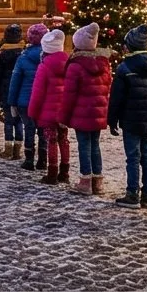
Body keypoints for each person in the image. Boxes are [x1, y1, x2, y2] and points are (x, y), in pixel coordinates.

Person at [108, 25, 147, 209]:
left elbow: (117, 98)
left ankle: (132, 194)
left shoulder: (124, 68)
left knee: (133, 157)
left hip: (131, 120)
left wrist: (112, 119)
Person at [60, 23, 112, 195]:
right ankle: (98, 181)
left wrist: (63, 117)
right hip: (98, 112)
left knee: (84, 145)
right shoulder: (104, 64)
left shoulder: (75, 65)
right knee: (95, 145)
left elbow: (69, 95)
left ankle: (85, 181)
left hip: (81, 113)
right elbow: (107, 89)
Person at [28, 28, 70, 183]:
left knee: (51, 141)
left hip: (48, 112)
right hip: (64, 110)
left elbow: (37, 93)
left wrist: (33, 112)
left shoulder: (44, 66)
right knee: (64, 140)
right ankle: (64, 172)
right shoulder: (69, 64)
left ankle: (52, 172)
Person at [9, 24, 48, 171]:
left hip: (25, 101)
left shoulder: (23, 58)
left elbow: (15, 82)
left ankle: (29, 159)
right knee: (43, 130)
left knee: (29, 128)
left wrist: (12, 102)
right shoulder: (48, 58)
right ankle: (42, 160)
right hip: (44, 101)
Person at [0, 23, 25, 160]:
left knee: (9, 121)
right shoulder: (23, 54)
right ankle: (17, 149)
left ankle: (8, 147)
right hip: (21, 91)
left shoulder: (2, 55)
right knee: (19, 121)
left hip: (6, 91)